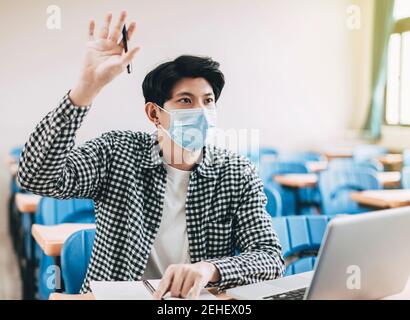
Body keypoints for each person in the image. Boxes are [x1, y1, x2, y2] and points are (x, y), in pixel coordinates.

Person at [17, 10, 284, 299]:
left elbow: (269, 257)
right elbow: (36, 178)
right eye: (185, 100)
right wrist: (84, 90)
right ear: (154, 113)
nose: (202, 112)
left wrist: (210, 269)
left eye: (208, 101)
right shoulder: (117, 153)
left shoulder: (236, 172)